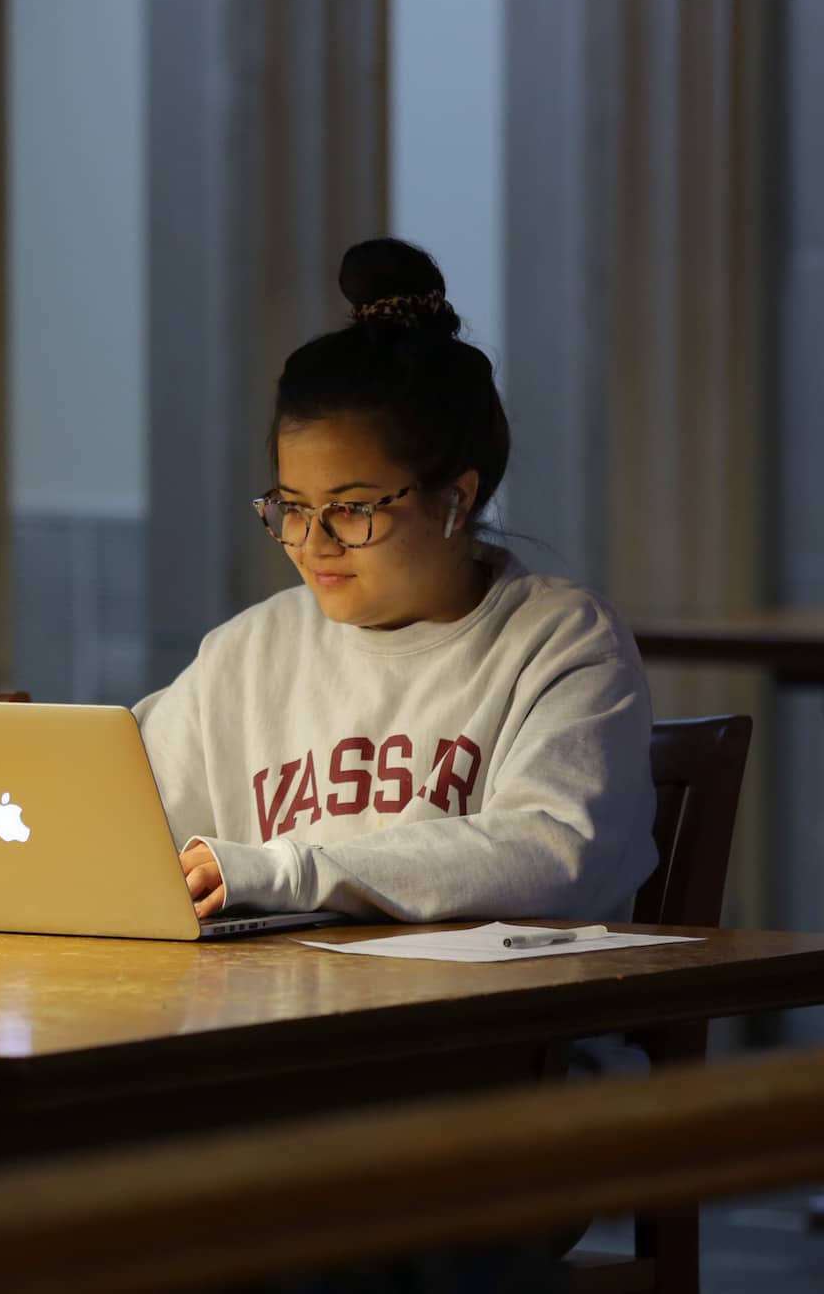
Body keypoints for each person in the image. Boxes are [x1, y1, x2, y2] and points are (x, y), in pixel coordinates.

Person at [135, 237, 657, 929]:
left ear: (454, 499)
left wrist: (295, 871)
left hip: (499, 1030)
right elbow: (118, 826)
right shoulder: (247, 653)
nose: (313, 541)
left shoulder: (559, 642)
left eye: (351, 509)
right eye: (291, 506)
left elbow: (555, 853)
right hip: (287, 1021)